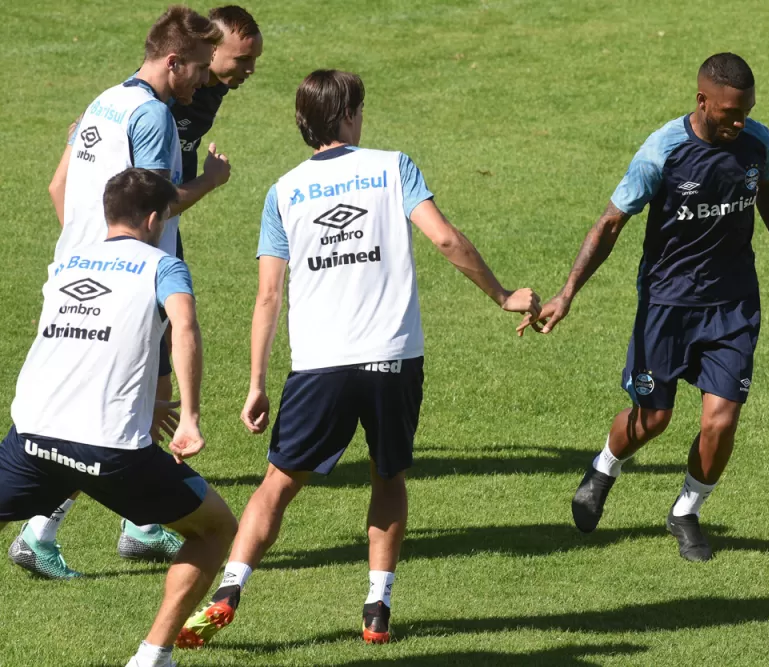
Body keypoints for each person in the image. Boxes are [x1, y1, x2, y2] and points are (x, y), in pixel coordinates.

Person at [176, 70, 540, 648]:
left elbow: (268, 295)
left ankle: (229, 589)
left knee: (276, 485)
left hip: (319, 365)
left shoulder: (284, 191)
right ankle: (377, 608)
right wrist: (503, 295)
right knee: (388, 475)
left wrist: (256, 382)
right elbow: (445, 239)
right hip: (392, 358)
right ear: (347, 116)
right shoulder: (393, 167)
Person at [519, 53, 769, 562]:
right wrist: (567, 292)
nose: (740, 122)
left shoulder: (758, 143)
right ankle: (605, 467)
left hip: (733, 304)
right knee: (654, 418)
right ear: (701, 101)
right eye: (730, 113)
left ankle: (687, 511)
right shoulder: (663, 151)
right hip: (667, 304)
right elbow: (610, 224)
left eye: (747, 111)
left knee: (722, 420)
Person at [13, 5, 237, 578]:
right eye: (197, 68)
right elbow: (161, 202)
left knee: (125, 406)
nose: (202, 79)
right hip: (132, 282)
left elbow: (57, 184)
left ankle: (138, 524)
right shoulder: (153, 116)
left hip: (76, 276)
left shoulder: (102, 103)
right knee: (109, 417)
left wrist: (82, 250)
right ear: (172, 61)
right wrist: (209, 182)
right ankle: (43, 531)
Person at [0, 168, 238, 667]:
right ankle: (152, 657)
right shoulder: (162, 266)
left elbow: (80, 341)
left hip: (30, 436)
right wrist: (189, 416)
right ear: (154, 218)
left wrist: (140, 401)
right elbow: (186, 327)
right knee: (215, 528)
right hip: (107, 450)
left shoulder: (65, 263)